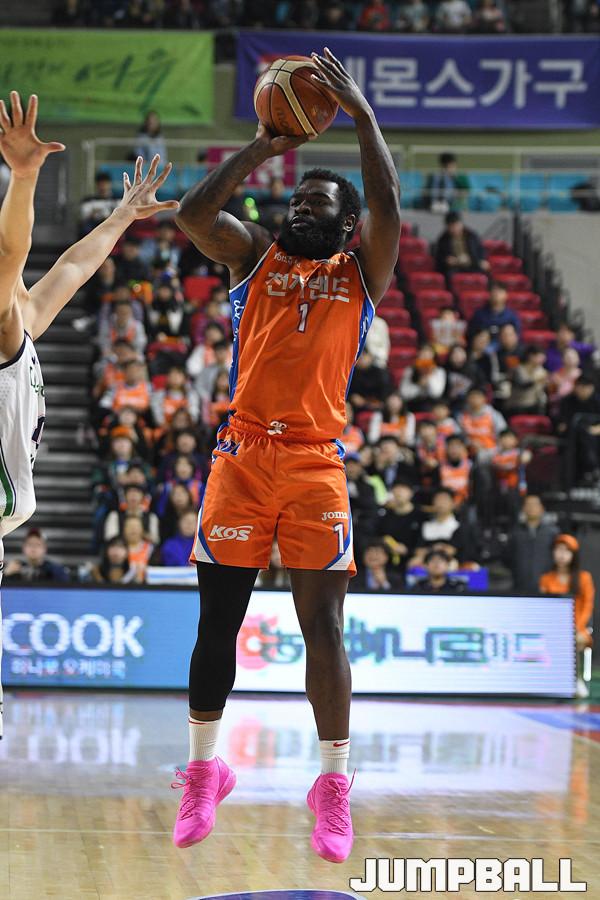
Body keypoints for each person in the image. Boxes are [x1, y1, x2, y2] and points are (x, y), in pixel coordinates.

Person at [174, 47, 401, 861]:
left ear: (346, 226)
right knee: (217, 624)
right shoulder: (253, 256)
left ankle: (332, 785)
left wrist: (364, 117)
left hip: (314, 465)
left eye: (319, 204)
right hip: (240, 460)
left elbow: (387, 202)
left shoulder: (362, 274)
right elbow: (193, 217)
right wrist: (262, 147)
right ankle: (205, 771)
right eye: (298, 199)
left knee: (324, 629)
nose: (302, 209)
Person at [0, 92, 177, 736]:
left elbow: (62, 262)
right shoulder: (11, 322)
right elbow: (23, 257)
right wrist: (26, 180)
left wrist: (120, 215)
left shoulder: (17, 320)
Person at [539, 534, 595, 698]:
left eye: (567, 551)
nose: (562, 555)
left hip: (579, 627)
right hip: (554, 627)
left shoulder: (584, 578)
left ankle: (575, 679)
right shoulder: (546, 579)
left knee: (575, 639)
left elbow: (587, 606)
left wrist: (577, 627)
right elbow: (544, 607)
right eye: (559, 550)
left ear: (573, 555)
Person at [505, 494, 558, 594]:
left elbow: (557, 559)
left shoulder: (552, 533)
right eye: (528, 504)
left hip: (547, 587)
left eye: (535, 504)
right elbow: (507, 557)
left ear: (542, 508)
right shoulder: (515, 532)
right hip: (519, 586)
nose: (531, 508)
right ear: (523, 508)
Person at [557, 376, 600, 483]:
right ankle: (591, 468)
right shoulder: (567, 401)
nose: (583, 390)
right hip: (573, 436)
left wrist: (596, 429)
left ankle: (592, 468)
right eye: (580, 387)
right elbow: (562, 424)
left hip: (595, 436)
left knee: (588, 436)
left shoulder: (597, 401)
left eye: (586, 387)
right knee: (582, 433)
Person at [376, 478, 422, 570]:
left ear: (411, 493)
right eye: (396, 488)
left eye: (404, 488)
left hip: (412, 563)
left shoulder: (421, 516)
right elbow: (377, 536)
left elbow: (423, 543)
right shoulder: (385, 516)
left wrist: (408, 550)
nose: (399, 492)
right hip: (387, 562)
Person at [3, 528, 69, 583]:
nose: (33, 548)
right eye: (30, 544)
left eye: (38, 544)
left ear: (44, 548)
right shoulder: (16, 569)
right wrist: (6, 574)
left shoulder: (54, 569)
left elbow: (64, 585)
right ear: (24, 548)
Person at [435, 212, 489, 279]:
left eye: (456, 225)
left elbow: (480, 249)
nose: (454, 229)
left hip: (472, 264)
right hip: (455, 267)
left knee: (484, 273)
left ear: (461, 224)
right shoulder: (443, 239)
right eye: (451, 226)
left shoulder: (471, 236)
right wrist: (446, 260)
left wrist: (482, 259)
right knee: (449, 275)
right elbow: (439, 256)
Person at [467, 282, 521, 347]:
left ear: (506, 295)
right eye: (494, 291)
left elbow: (517, 337)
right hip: (483, 349)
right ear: (489, 294)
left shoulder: (512, 316)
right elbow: (471, 334)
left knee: (508, 330)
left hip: (504, 348)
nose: (496, 294)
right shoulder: (479, 314)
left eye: (500, 291)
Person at [506, 345, 548, 415]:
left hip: (534, 405)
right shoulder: (518, 369)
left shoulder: (542, 371)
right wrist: (536, 380)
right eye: (539, 357)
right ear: (531, 356)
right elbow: (522, 384)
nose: (542, 360)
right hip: (517, 404)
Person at [79, 170, 119, 235]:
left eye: (105, 184)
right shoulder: (89, 200)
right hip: (94, 226)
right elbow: (85, 215)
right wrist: (94, 214)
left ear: (109, 184)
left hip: (111, 225)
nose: (103, 186)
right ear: (97, 185)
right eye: (101, 184)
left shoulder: (116, 200)